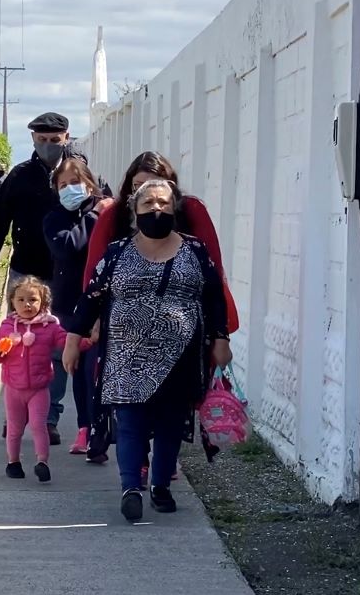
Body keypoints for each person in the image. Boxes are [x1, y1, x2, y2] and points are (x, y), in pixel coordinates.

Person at [62, 179, 232, 522]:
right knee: (130, 422)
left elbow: (214, 298)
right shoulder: (117, 252)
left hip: (181, 354)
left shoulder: (196, 251)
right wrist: (72, 342)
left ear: (174, 209)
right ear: (134, 211)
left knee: (171, 422)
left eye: (164, 204)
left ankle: (160, 486)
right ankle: (130, 488)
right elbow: (91, 298)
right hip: (126, 357)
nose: (157, 209)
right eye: (149, 204)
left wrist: (221, 339)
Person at [81, 151, 239, 470]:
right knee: (128, 411)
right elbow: (94, 277)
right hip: (125, 337)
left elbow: (213, 277)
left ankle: (162, 474)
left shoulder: (190, 225)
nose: (152, 201)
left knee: (171, 410)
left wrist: (218, 333)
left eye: (159, 192)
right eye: (140, 188)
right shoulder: (115, 224)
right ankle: (134, 469)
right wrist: (89, 323)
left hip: (181, 338)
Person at [0, 111, 78, 446]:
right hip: (26, 276)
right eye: (42, 140)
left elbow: (99, 216)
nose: (48, 145)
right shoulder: (19, 176)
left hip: (65, 276)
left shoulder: (77, 173)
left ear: (66, 137)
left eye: (55, 140)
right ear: (33, 139)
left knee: (56, 349)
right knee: (18, 347)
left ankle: (48, 416)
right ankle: (17, 414)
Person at [42, 157, 112, 455]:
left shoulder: (108, 215)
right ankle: (83, 429)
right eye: (63, 184)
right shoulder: (54, 219)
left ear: (89, 184)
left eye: (75, 182)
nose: (70, 189)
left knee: (96, 371)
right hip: (69, 308)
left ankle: (100, 429)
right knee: (75, 369)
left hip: (103, 305)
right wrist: (94, 215)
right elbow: (68, 247)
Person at [0, 276, 90, 483]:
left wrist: (87, 342)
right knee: (15, 428)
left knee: (39, 425)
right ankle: (13, 462)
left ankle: (42, 462)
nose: (27, 304)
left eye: (33, 300)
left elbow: (67, 343)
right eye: (21, 300)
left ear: (43, 303)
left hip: (39, 387)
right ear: (12, 302)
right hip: (13, 388)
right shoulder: (7, 328)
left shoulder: (50, 327)